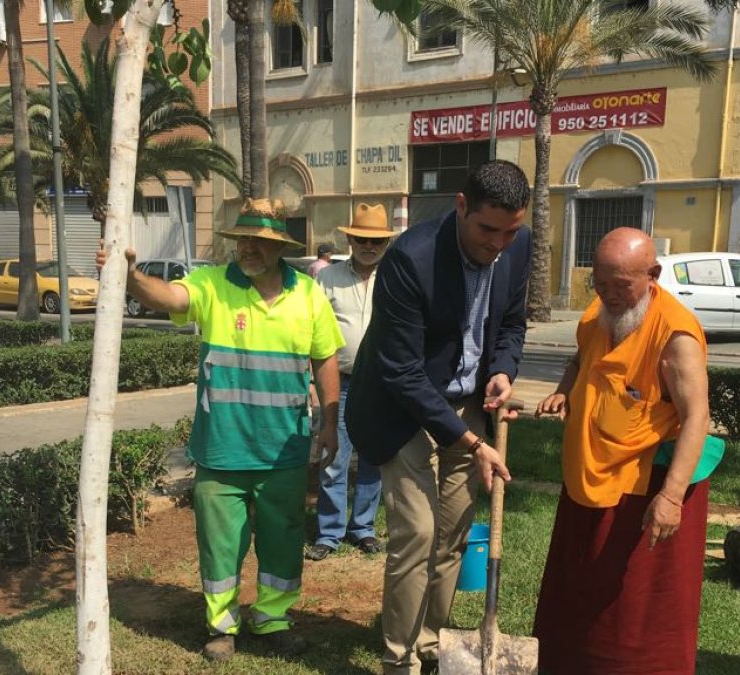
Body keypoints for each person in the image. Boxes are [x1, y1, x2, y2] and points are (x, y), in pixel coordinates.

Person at [98, 198, 343, 662]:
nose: (249, 248)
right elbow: (169, 297)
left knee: (284, 541)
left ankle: (272, 619)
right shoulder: (211, 284)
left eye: (260, 241)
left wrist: (330, 423)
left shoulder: (308, 293)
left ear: (279, 247)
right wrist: (131, 277)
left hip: (285, 451)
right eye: (242, 239)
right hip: (221, 450)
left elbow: (325, 357)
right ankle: (221, 625)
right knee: (220, 547)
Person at [344, 160, 532, 675]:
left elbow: (512, 323)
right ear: (461, 207)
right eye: (487, 230)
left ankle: (431, 643)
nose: (498, 244)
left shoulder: (518, 245)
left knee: (452, 535)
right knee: (419, 533)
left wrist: (501, 369)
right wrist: (473, 443)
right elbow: (402, 372)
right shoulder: (412, 257)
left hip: (468, 401)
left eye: (510, 232)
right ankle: (397, 658)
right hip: (402, 409)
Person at [532, 227, 712, 674]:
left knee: (635, 607)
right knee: (578, 593)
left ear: (652, 275)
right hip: (590, 479)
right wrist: (564, 391)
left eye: (622, 285)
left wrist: (670, 498)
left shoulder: (676, 336)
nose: (609, 295)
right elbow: (581, 359)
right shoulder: (597, 316)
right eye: (600, 283)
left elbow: (697, 419)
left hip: (649, 486)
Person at [305, 203, 398, 562]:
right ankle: (329, 532)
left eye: (376, 240)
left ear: (386, 243)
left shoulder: (395, 276)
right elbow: (313, 333)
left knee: (374, 459)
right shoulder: (327, 278)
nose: (368, 246)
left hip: (382, 385)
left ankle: (363, 528)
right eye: (361, 238)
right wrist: (311, 380)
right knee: (333, 457)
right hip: (338, 383)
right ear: (350, 239)